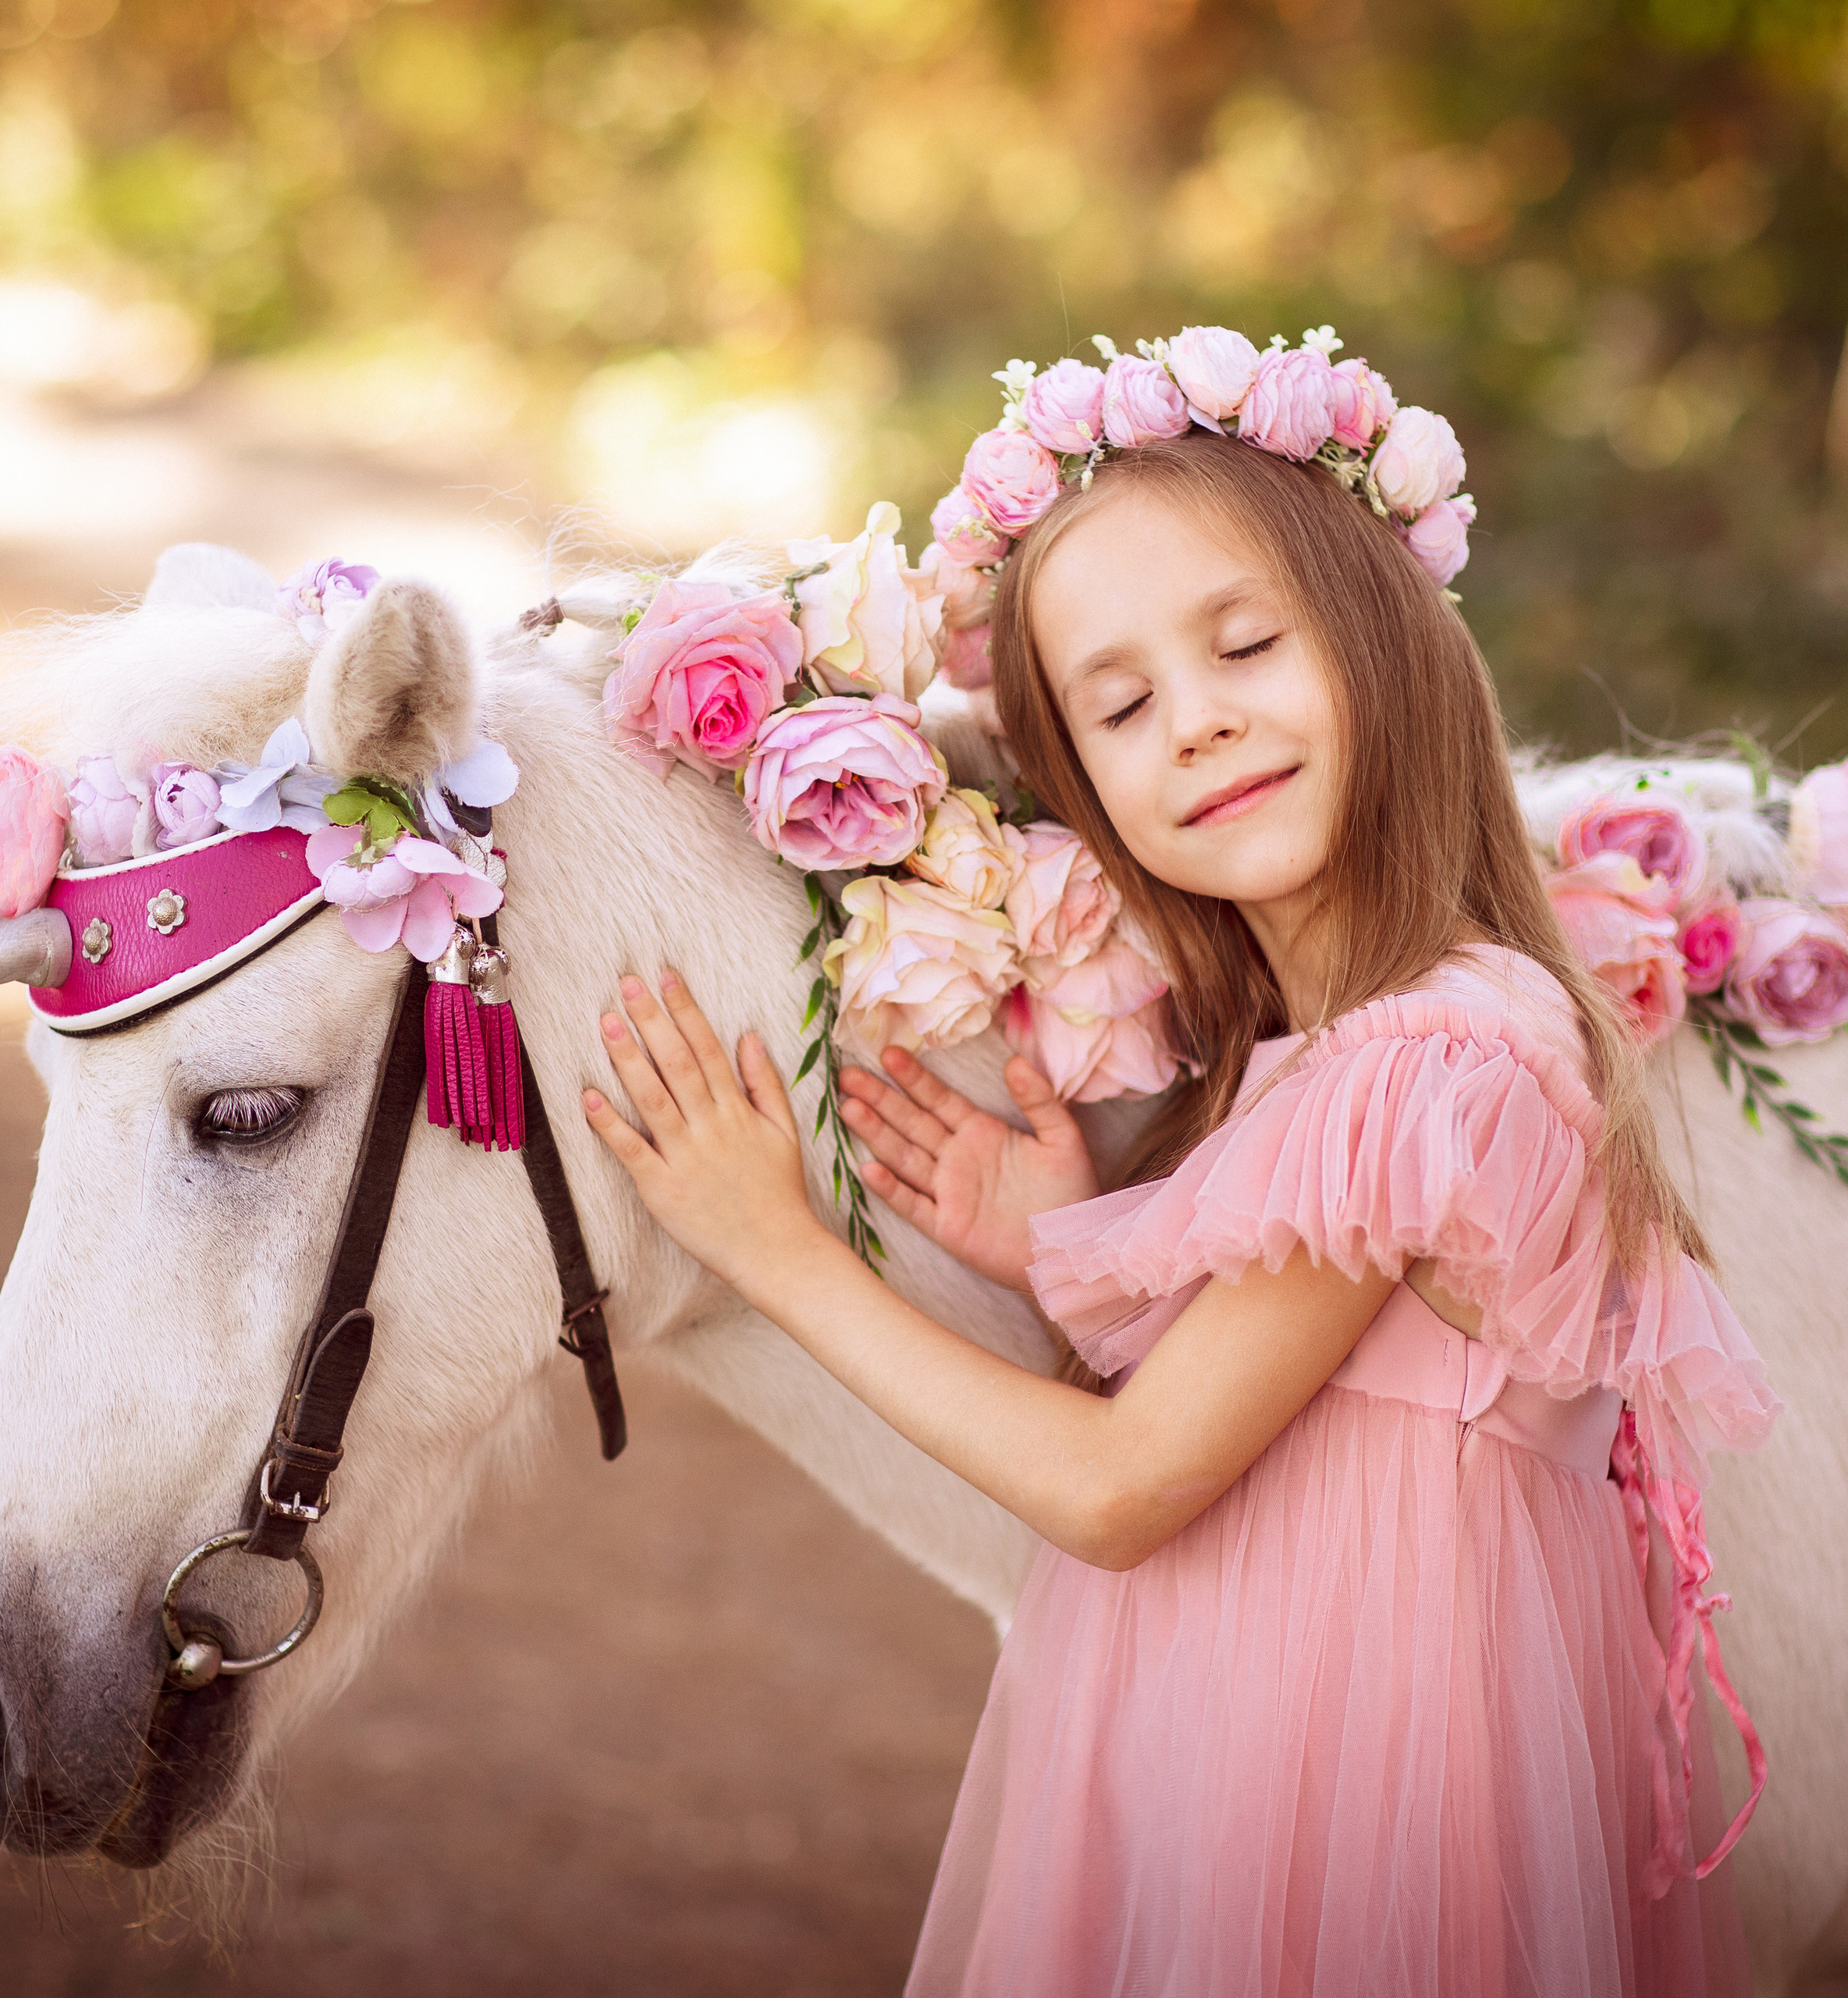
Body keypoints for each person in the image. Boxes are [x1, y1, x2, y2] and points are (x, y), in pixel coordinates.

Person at [578, 411, 1777, 1994]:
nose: (1195, 725)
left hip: (1357, 1821)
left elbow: (1122, 1490)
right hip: (1251, 1766)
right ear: (1088, 786)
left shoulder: (1430, 1062)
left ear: (1382, 645)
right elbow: (1314, 1441)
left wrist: (773, 1247)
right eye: (1124, 706)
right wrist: (1060, 1257)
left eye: (1242, 646)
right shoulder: (1314, 1065)